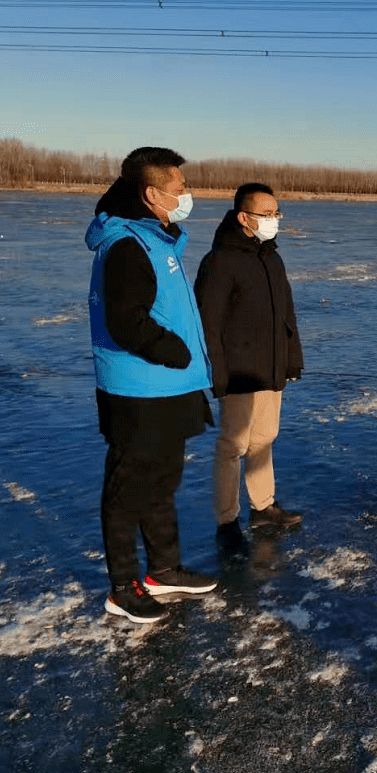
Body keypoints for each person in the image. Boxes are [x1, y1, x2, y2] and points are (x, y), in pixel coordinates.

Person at [86, 147, 218, 624]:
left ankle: (163, 569)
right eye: (180, 189)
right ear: (151, 193)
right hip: (137, 393)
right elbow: (126, 321)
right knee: (126, 491)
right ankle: (123, 588)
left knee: (161, 483)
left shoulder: (157, 240)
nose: (188, 196)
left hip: (168, 388)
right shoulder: (126, 245)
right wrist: (174, 350)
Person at [195, 183, 304, 556]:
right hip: (239, 371)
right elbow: (207, 323)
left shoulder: (271, 257)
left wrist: (291, 358)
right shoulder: (220, 261)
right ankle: (227, 521)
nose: (274, 220)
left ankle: (263, 508)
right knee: (233, 445)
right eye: (267, 214)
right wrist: (216, 373)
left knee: (265, 437)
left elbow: (286, 317)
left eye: (277, 213)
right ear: (244, 217)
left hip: (270, 368)